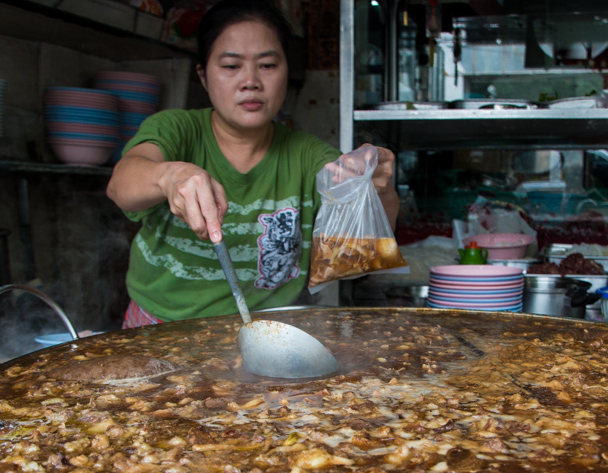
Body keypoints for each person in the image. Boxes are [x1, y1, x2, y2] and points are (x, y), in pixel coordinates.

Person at [107, 0, 398, 327]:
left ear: (287, 70)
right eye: (231, 66)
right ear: (203, 76)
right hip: (159, 329)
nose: (251, 81)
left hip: (269, 336)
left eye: (268, 65)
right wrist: (169, 176)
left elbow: (363, 253)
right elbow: (121, 186)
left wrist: (377, 190)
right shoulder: (177, 131)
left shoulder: (308, 156)